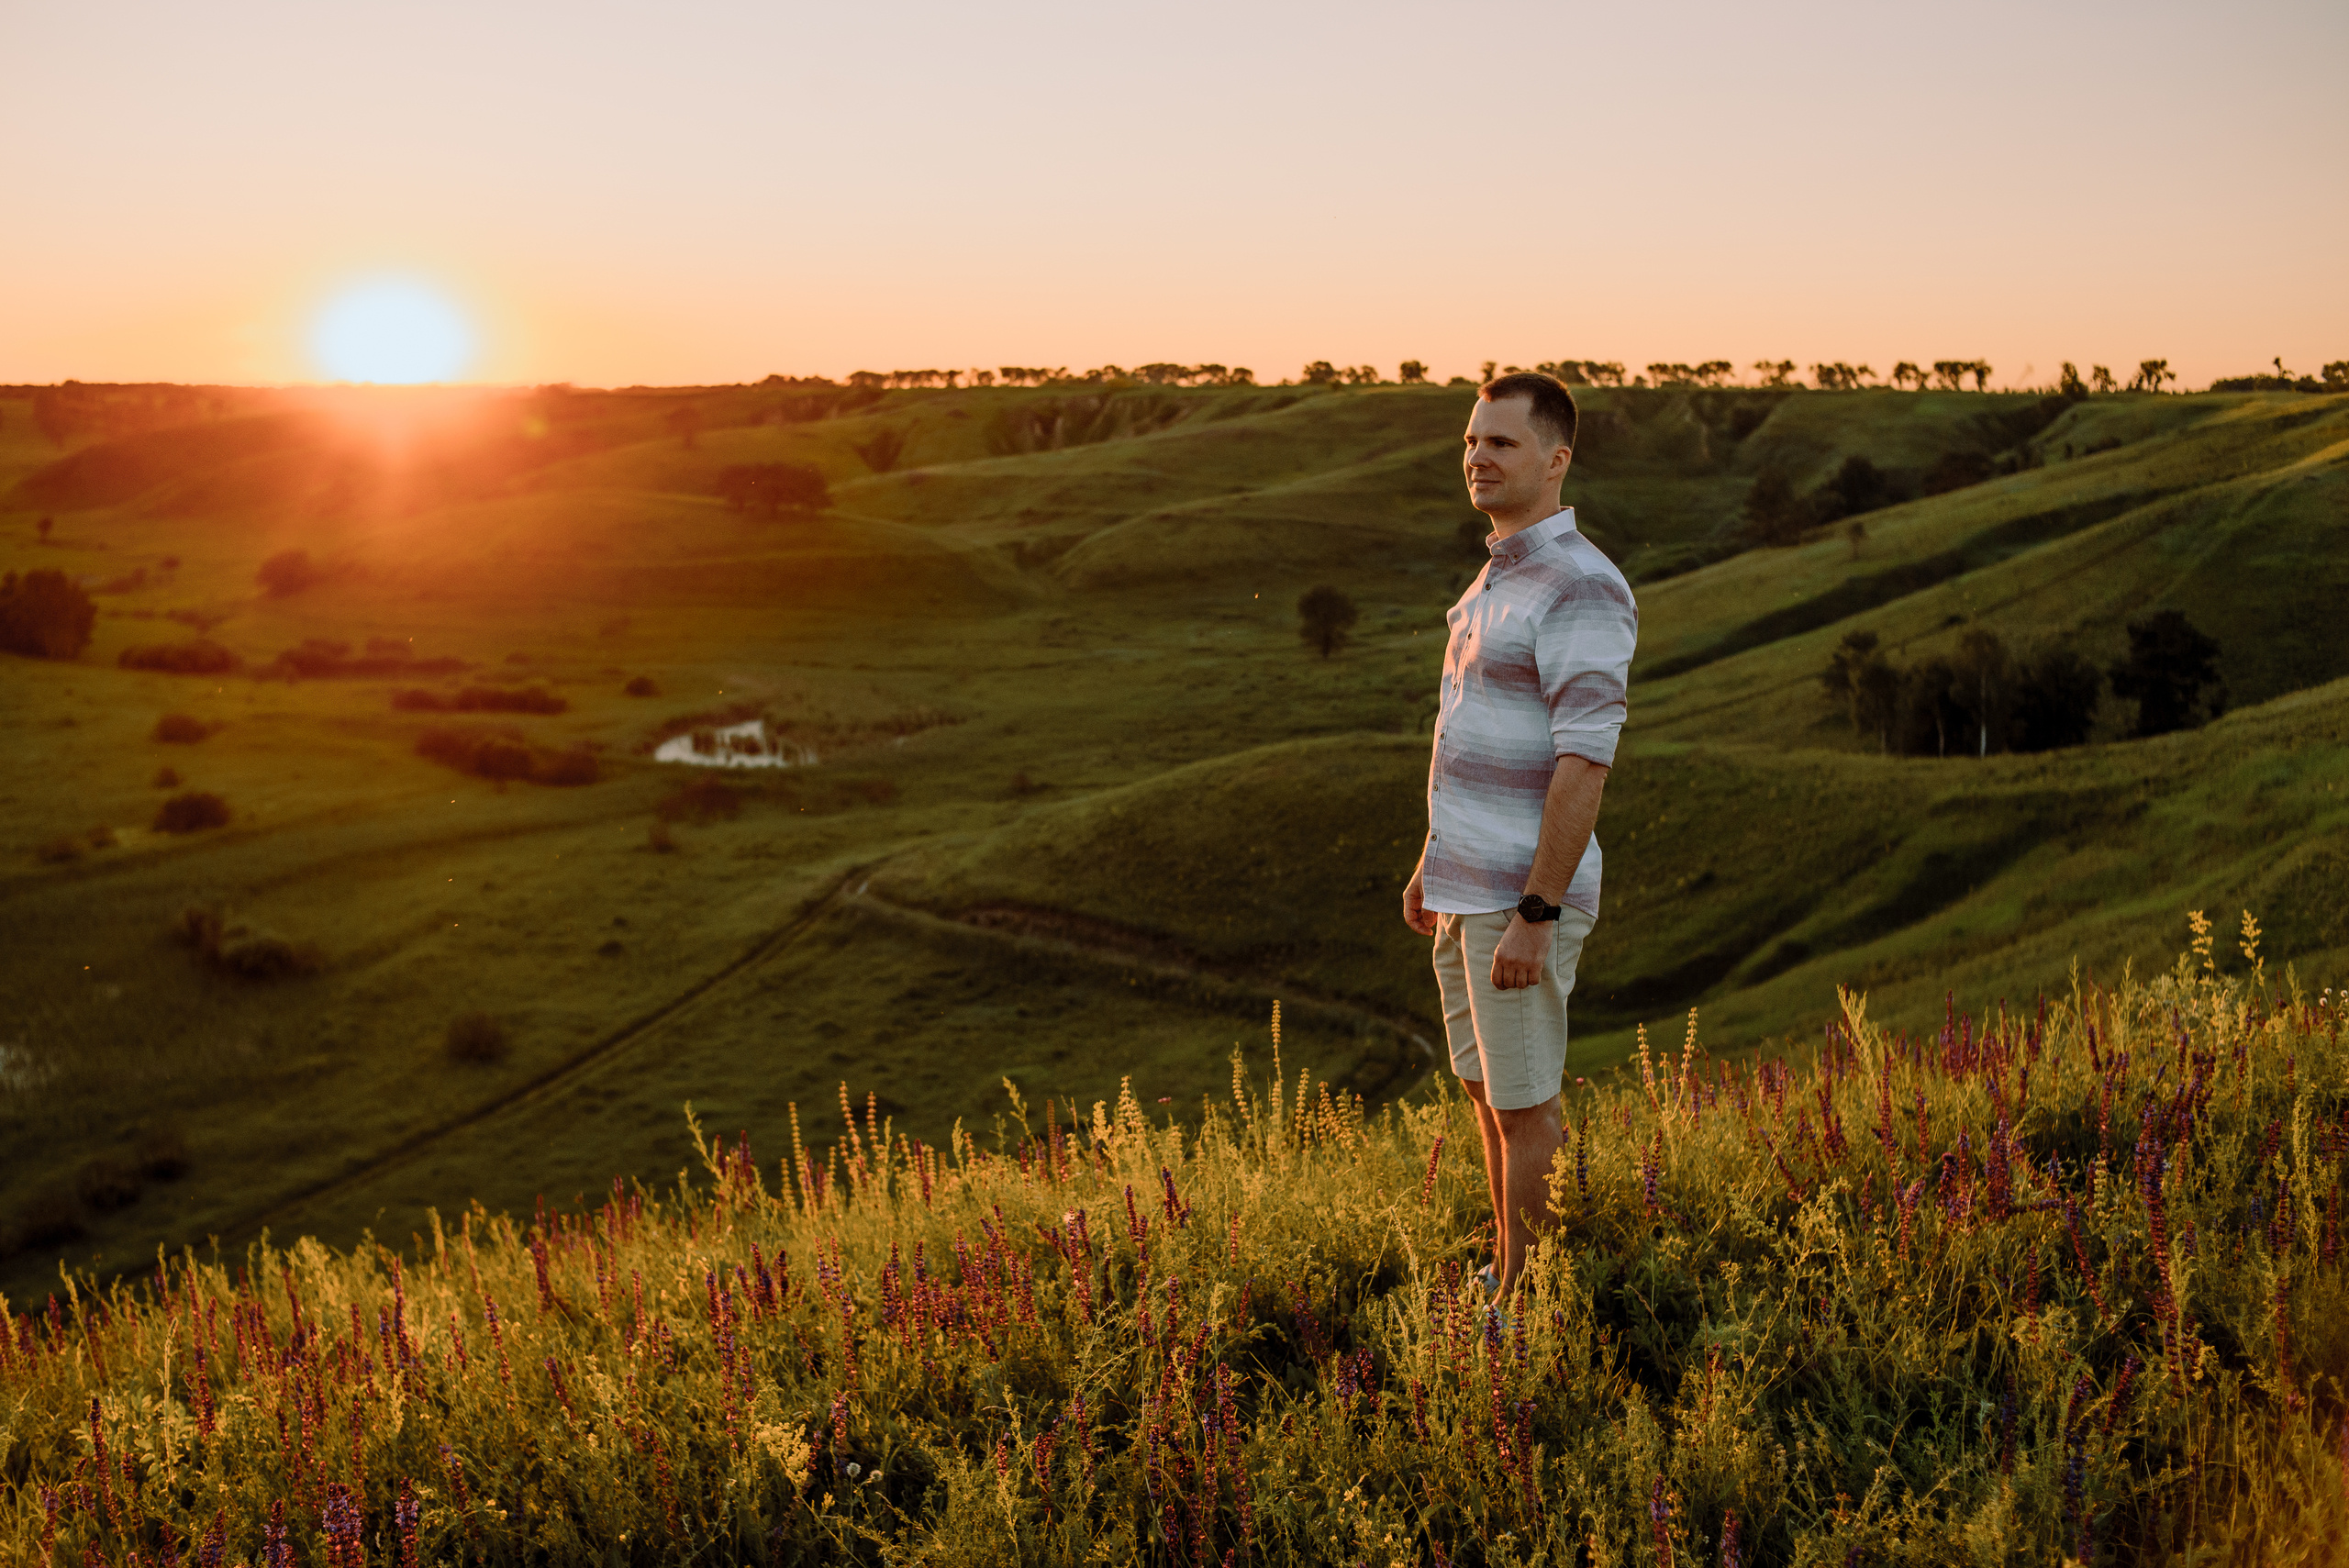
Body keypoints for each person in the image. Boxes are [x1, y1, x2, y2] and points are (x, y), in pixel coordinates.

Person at [1403, 371, 1637, 1297]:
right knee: (1484, 1094)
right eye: (1471, 440)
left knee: (1526, 1103)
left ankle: (1527, 1305)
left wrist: (1536, 912)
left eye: (1500, 442)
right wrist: (1429, 860)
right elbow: (1462, 729)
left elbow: (1585, 762)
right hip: (1464, 886)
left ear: (1555, 458)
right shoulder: (1498, 573)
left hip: (1516, 898)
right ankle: (1507, 1267)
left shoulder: (1579, 583)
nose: (1477, 457)